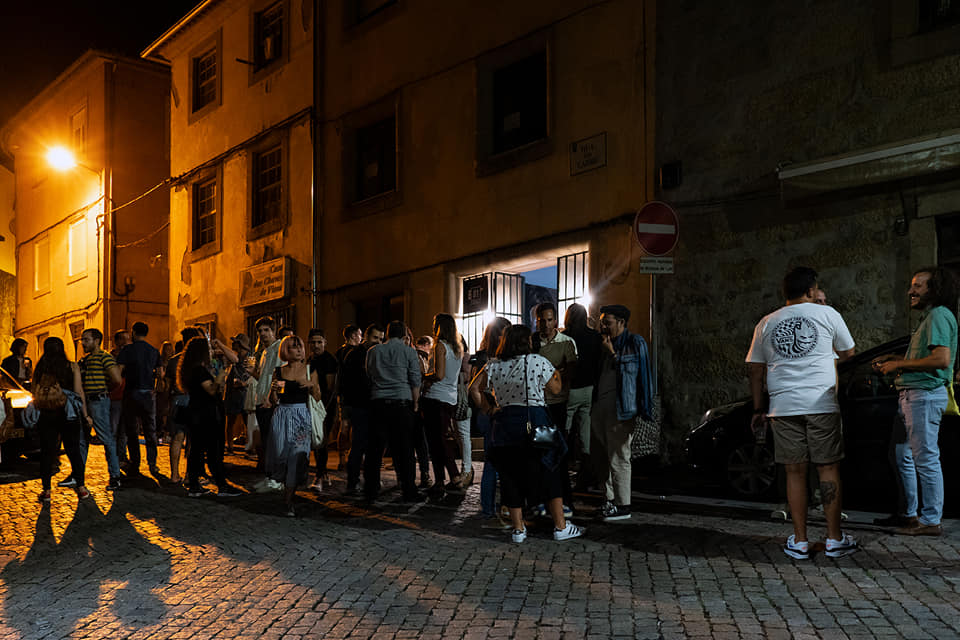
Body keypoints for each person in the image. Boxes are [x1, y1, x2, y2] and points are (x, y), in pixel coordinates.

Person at [747, 267, 858, 559]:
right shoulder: (828, 314)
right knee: (828, 467)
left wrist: (759, 407)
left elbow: (755, 369)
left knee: (794, 471)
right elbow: (849, 353)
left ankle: (799, 540)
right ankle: (834, 539)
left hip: (782, 407)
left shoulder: (766, 322)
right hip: (820, 403)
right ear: (811, 290)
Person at [468, 324, 584, 543]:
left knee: (509, 476)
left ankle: (518, 530)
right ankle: (560, 526)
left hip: (504, 425)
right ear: (527, 342)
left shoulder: (493, 365)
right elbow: (556, 389)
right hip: (535, 422)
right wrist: (557, 373)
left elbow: (473, 389)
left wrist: (489, 409)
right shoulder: (537, 361)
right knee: (549, 470)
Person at [874, 266, 958, 537]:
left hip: (922, 396)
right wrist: (896, 363)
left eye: (918, 286)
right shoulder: (930, 317)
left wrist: (900, 363)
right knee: (901, 455)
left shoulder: (939, 315)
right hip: (911, 395)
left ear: (935, 289)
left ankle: (931, 520)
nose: (911, 291)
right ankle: (909, 514)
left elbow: (941, 359)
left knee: (925, 458)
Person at [591, 304, 653, 523]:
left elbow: (640, 373)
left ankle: (623, 505)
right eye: (602, 321)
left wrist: (646, 407)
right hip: (600, 407)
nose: (603, 326)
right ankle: (609, 499)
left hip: (622, 407)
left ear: (621, 322)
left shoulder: (635, 342)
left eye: (607, 322)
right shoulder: (603, 343)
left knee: (619, 456)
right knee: (603, 457)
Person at [365, 320, 422, 502]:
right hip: (402, 403)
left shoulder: (373, 351)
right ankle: (408, 489)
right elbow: (415, 379)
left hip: (378, 403)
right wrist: (415, 403)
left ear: (387, 334)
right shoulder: (409, 352)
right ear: (404, 335)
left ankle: (371, 489)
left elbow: (369, 373)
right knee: (405, 448)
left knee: (375, 449)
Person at [177, 336, 242, 498]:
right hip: (205, 415)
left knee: (197, 451)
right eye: (208, 349)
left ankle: (194, 486)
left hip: (198, 414)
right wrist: (221, 374)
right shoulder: (199, 370)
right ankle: (221, 486)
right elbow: (212, 390)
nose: (211, 351)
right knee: (213, 451)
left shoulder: (192, 369)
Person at [532, 302, 578, 516]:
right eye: (542, 320)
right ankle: (543, 500)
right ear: (537, 320)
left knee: (558, 453)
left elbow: (569, 373)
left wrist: (555, 375)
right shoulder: (533, 342)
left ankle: (563, 501)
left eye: (550, 320)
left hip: (558, 403)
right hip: (539, 404)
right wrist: (554, 372)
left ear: (556, 321)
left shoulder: (567, 343)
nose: (546, 324)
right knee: (542, 452)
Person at [268, 336, 322, 516]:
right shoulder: (280, 372)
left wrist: (311, 384)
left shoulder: (309, 369)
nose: (299, 350)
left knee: (297, 456)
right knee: (282, 456)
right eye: (293, 347)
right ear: (285, 351)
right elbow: (274, 399)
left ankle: (289, 499)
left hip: (301, 417)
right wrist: (274, 390)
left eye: (300, 347)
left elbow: (318, 396)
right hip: (282, 415)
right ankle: (288, 490)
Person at [34, 337, 89, 503]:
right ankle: (81, 487)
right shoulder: (71, 366)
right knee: (73, 450)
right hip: (68, 413)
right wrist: (85, 415)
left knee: (47, 452)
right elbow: (79, 391)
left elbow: (33, 390)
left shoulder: (40, 367)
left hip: (46, 413)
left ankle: (47, 491)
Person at [469, 316, 512, 529]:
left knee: (491, 463)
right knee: (500, 463)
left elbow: (472, 385)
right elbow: (474, 387)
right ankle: (503, 507)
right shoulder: (501, 359)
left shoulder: (480, 356)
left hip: (486, 413)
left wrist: (484, 408)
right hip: (497, 413)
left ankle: (488, 508)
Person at [421, 314, 464, 496]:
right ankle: (440, 481)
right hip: (450, 398)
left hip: (435, 397)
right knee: (440, 440)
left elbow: (439, 374)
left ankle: (452, 477)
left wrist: (423, 376)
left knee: (437, 441)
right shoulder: (458, 348)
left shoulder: (440, 346)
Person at [562, 303, 602, 490]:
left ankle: (562, 467)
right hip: (588, 388)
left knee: (565, 428)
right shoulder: (595, 336)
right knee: (585, 431)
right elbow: (598, 364)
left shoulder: (565, 337)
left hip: (570, 389)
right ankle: (586, 471)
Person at [78, 328, 123, 491]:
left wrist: (103, 390)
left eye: (86, 339)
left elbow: (117, 379)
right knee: (81, 440)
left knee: (106, 438)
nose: (83, 343)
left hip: (98, 401)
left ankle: (115, 476)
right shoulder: (86, 360)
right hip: (87, 402)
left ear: (97, 341)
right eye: (82, 340)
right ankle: (78, 476)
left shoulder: (105, 357)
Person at [340, 324, 383, 494]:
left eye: (381, 339)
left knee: (374, 447)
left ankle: (371, 481)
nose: (378, 342)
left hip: (375, 405)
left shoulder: (378, 354)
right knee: (358, 445)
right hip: (360, 406)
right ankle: (353, 481)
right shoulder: (355, 354)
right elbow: (346, 381)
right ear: (366, 336)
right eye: (375, 338)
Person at [116, 322, 161, 477]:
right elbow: (160, 373)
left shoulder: (127, 350)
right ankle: (153, 464)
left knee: (132, 431)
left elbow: (119, 371)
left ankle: (135, 463)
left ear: (134, 333)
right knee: (150, 430)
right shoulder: (154, 351)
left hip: (131, 393)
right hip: (148, 394)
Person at [166, 327, 203, 484]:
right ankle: (190, 476)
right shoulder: (199, 360)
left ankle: (174, 475)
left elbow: (167, 387)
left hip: (177, 400)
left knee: (177, 438)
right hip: (194, 400)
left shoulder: (173, 361)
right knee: (192, 440)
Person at [252, 316, 283, 481]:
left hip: (271, 401)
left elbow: (280, 375)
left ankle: (275, 478)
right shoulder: (264, 351)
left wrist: (273, 396)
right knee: (266, 440)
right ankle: (270, 477)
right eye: (260, 331)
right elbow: (264, 377)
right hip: (261, 399)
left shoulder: (279, 349)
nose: (263, 334)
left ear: (273, 331)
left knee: (273, 441)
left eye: (266, 330)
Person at [307, 329, 337, 491]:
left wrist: (322, 409)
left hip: (325, 407)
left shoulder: (329, 360)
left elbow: (330, 388)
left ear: (325, 342)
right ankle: (323, 474)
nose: (316, 345)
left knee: (321, 442)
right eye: (313, 342)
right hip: (311, 405)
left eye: (319, 342)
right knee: (317, 442)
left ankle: (319, 477)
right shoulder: (309, 359)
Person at [224, 333, 254, 454]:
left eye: (236, 343)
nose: (233, 345)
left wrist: (244, 383)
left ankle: (250, 447)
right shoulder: (233, 357)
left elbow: (252, 375)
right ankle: (230, 446)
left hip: (244, 393)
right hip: (232, 393)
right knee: (230, 421)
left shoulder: (250, 358)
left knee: (248, 421)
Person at [110, 330, 131, 467]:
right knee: (113, 429)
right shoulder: (111, 357)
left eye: (128, 339)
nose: (126, 342)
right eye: (123, 339)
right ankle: (113, 456)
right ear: (116, 342)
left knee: (125, 430)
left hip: (128, 397)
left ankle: (122, 456)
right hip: (115, 397)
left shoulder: (130, 356)